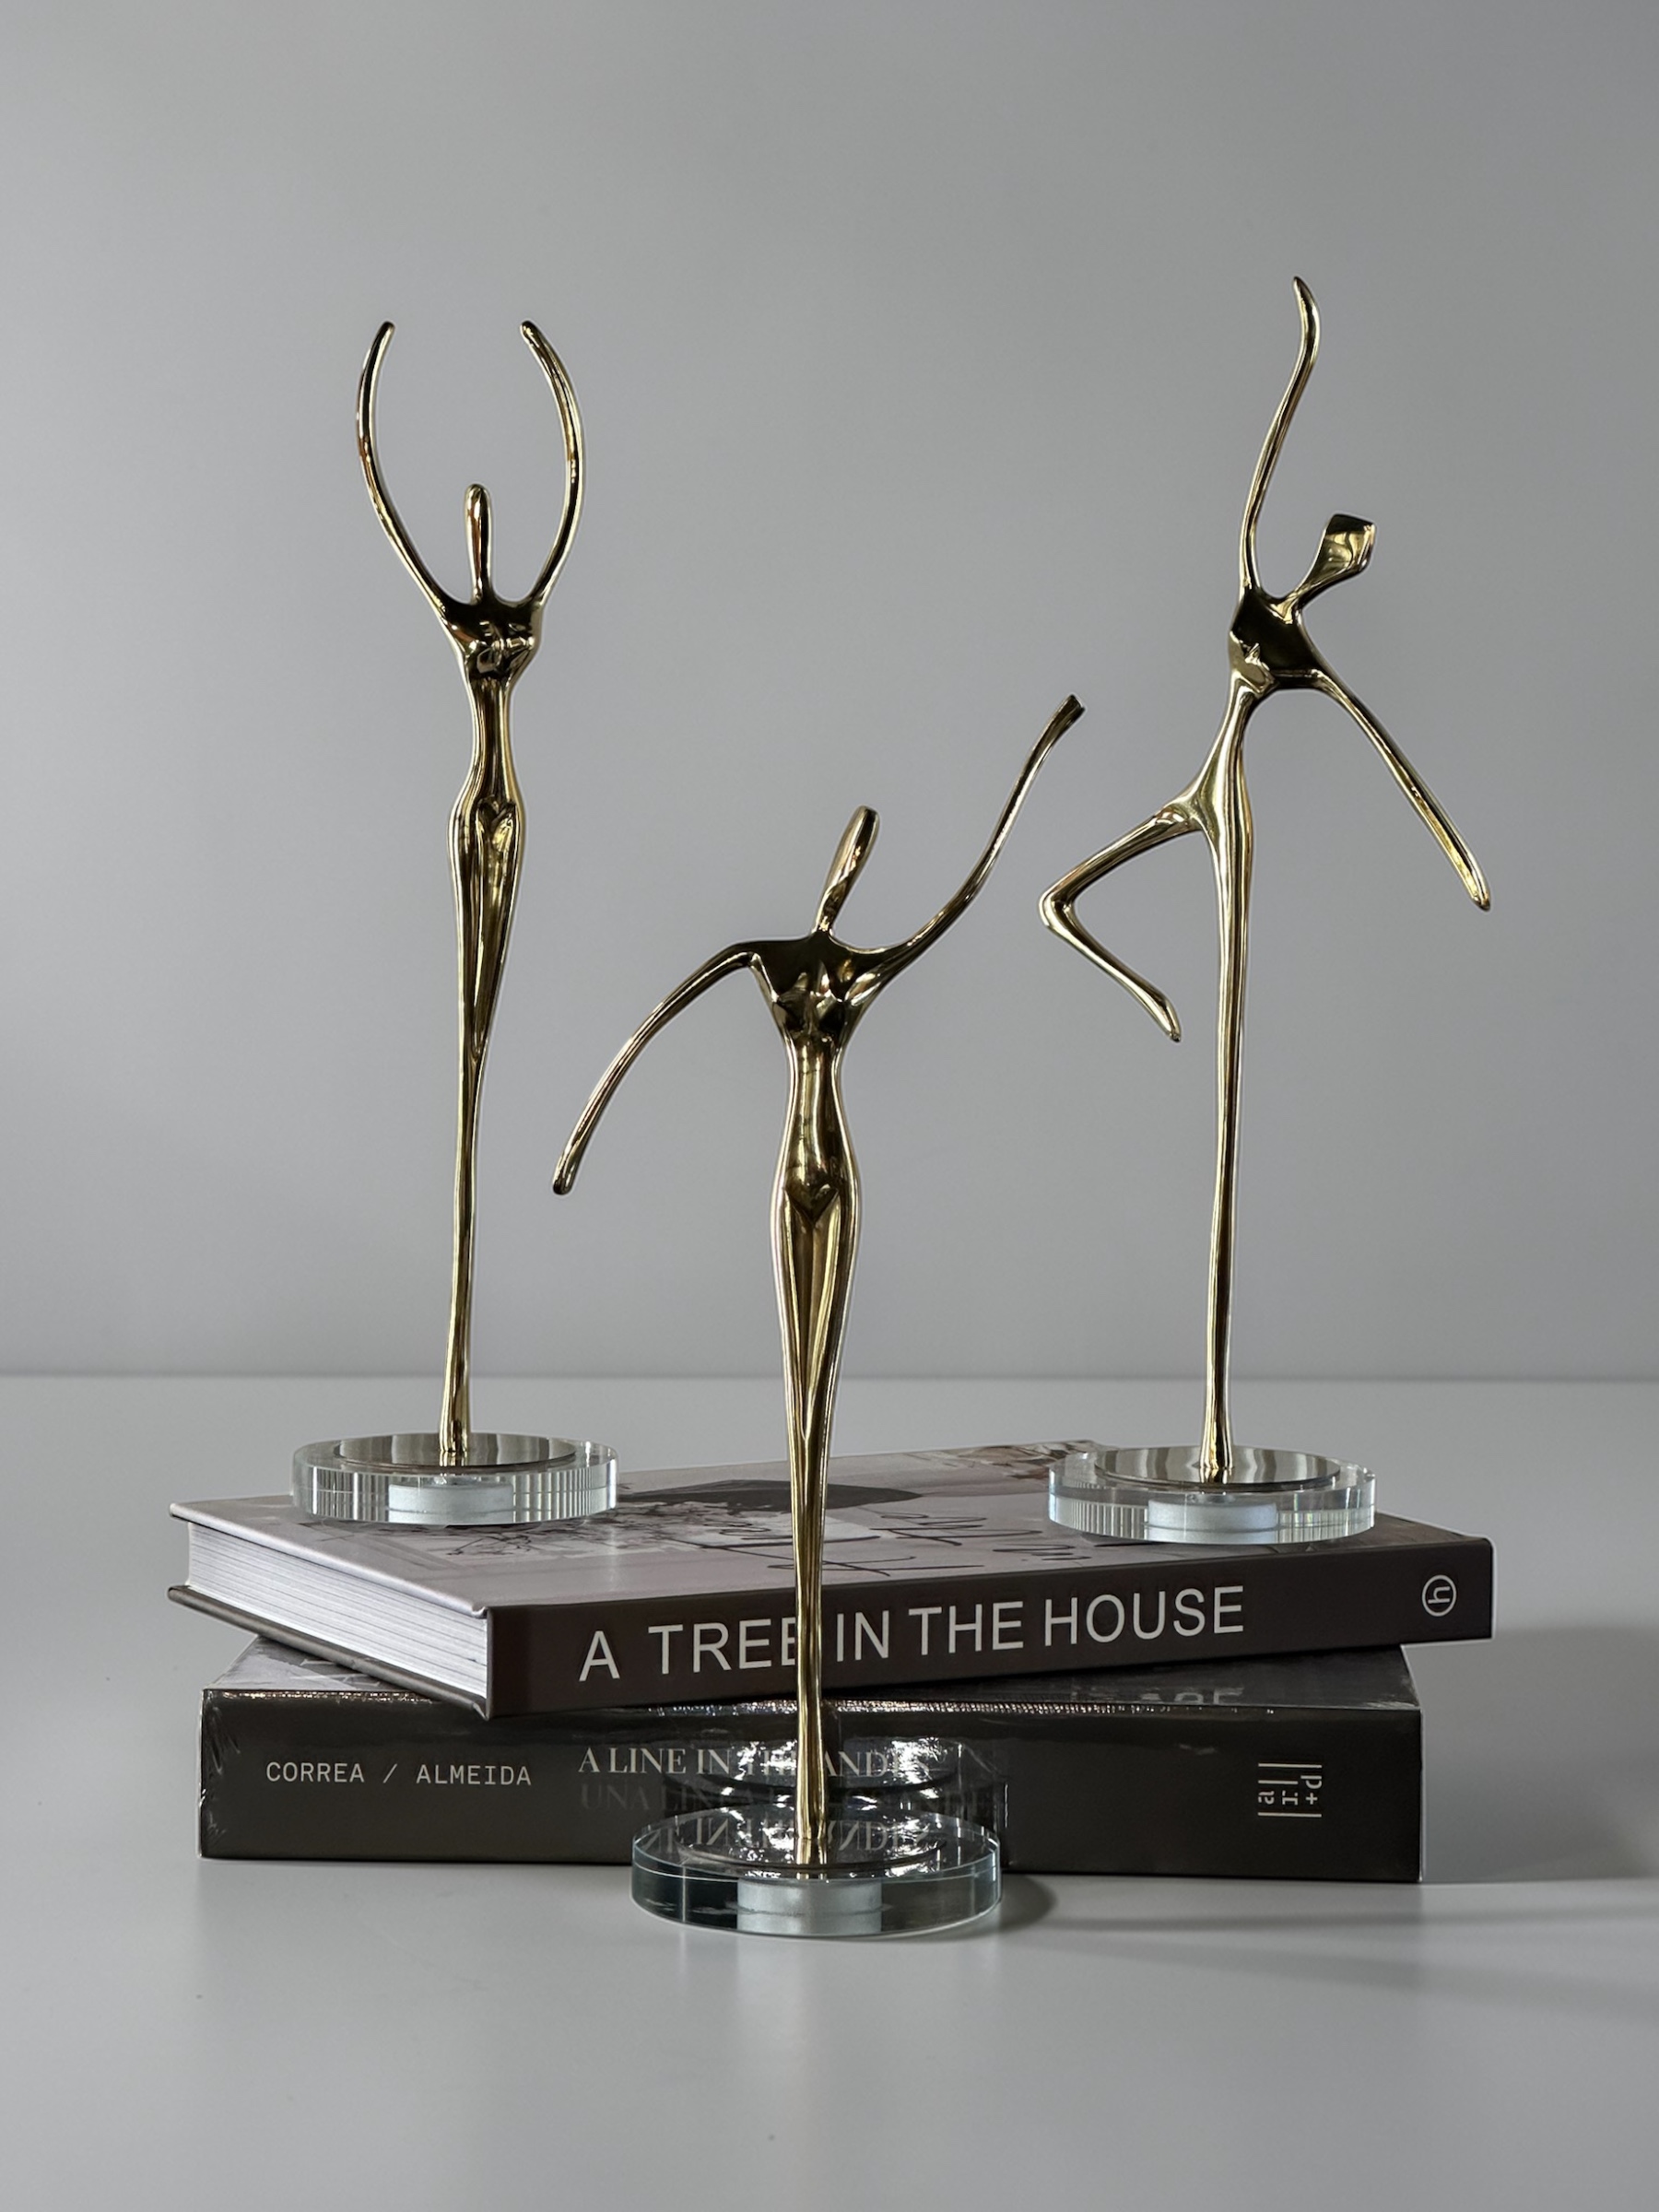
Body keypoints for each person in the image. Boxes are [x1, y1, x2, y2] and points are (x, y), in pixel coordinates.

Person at [557, 695, 1081, 1864]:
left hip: (835, 1175)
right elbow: (650, 1026)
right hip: (790, 1176)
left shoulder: (861, 966)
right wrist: (582, 1134)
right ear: (832, 867)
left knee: (819, 1411)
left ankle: (816, 1772)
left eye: (859, 859)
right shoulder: (771, 957)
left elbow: (962, 898)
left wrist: (1035, 761)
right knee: (796, 1404)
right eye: (848, 855)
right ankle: (801, 1769)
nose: (849, 872)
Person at [1041, 279, 1488, 1483]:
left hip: (1231, 814)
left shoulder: (1306, 651)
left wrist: (1457, 858)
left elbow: (1387, 749)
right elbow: (1255, 481)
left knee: (1230, 1081)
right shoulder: (1252, 590)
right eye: (1342, 545)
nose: (1342, 560)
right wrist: (1303, 355)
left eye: (1354, 556)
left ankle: (1213, 1430)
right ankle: (1151, 993)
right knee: (1059, 896)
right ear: (1322, 544)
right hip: (1196, 784)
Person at [358, 320, 583, 1465]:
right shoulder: (457, 605)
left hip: (512, 804)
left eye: (483, 514)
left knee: (482, 1030)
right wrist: (369, 404)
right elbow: (395, 527)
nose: (476, 525)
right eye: (471, 516)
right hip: (473, 807)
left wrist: (559, 392)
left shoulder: (524, 601)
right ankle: (450, 1398)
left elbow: (574, 502)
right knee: (464, 1031)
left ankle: (457, 1391)